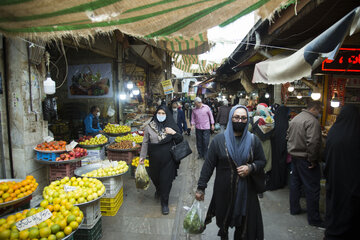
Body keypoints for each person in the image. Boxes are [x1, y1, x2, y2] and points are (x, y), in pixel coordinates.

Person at [196, 105, 266, 240]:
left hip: (246, 191)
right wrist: (201, 188)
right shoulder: (219, 140)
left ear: (248, 120)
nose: (240, 121)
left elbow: (262, 161)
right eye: (236, 117)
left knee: (244, 225)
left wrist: (250, 168)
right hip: (223, 191)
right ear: (231, 118)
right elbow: (208, 166)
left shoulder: (253, 141)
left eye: (243, 118)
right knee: (224, 222)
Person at [324, 105, 360, 240]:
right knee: (350, 208)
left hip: (334, 176)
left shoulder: (334, 131)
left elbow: (326, 153)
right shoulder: (356, 134)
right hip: (352, 181)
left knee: (335, 205)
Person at [139, 105, 183, 215]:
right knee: (155, 177)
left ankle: (164, 203)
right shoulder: (149, 126)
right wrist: (142, 157)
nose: (161, 115)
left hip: (168, 159)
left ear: (167, 115)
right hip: (154, 159)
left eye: (164, 113)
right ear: (156, 114)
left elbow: (180, 139)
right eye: (159, 113)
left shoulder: (171, 126)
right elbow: (145, 142)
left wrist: (173, 133)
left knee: (166, 181)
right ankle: (158, 189)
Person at [286, 101, 324, 227]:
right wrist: (313, 160)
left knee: (295, 184)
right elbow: (313, 142)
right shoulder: (312, 122)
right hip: (306, 159)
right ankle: (314, 218)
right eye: (319, 111)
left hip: (295, 157)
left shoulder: (296, 118)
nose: (319, 114)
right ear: (314, 108)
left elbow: (288, 136)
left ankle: (294, 209)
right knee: (312, 188)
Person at [268, 105, 290, 190]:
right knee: (281, 166)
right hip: (282, 149)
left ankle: (276, 181)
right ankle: (281, 182)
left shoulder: (275, 121)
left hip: (274, 148)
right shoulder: (285, 123)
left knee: (275, 166)